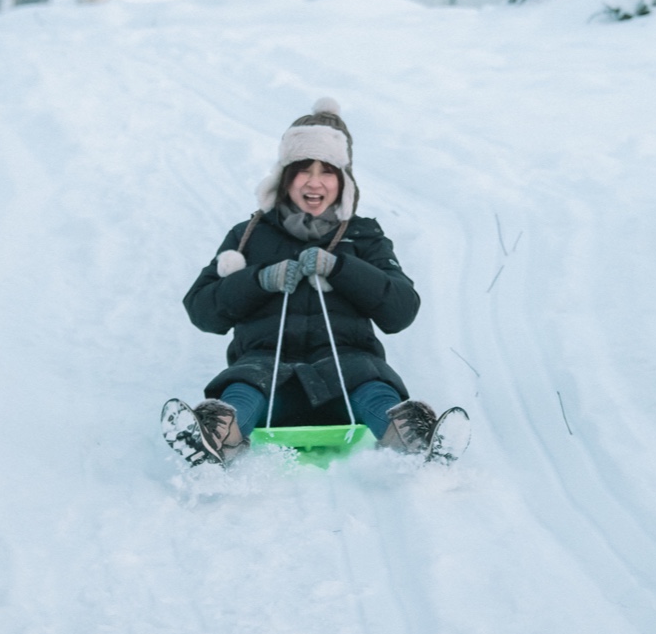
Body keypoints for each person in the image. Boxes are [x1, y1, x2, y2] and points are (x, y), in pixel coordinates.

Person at [164, 100, 465, 465]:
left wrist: (342, 270)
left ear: (343, 181)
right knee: (243, 386)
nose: (315, 182)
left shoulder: (363, 237)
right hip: (267, 378)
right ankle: (215, 436)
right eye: (303, 170)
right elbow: (203, 311)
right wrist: (259, 280)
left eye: (328, 172)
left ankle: (414, 439)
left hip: (347, 378)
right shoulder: (248, 235)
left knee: (373, 384)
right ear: (285, 177)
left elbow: (400, 311)